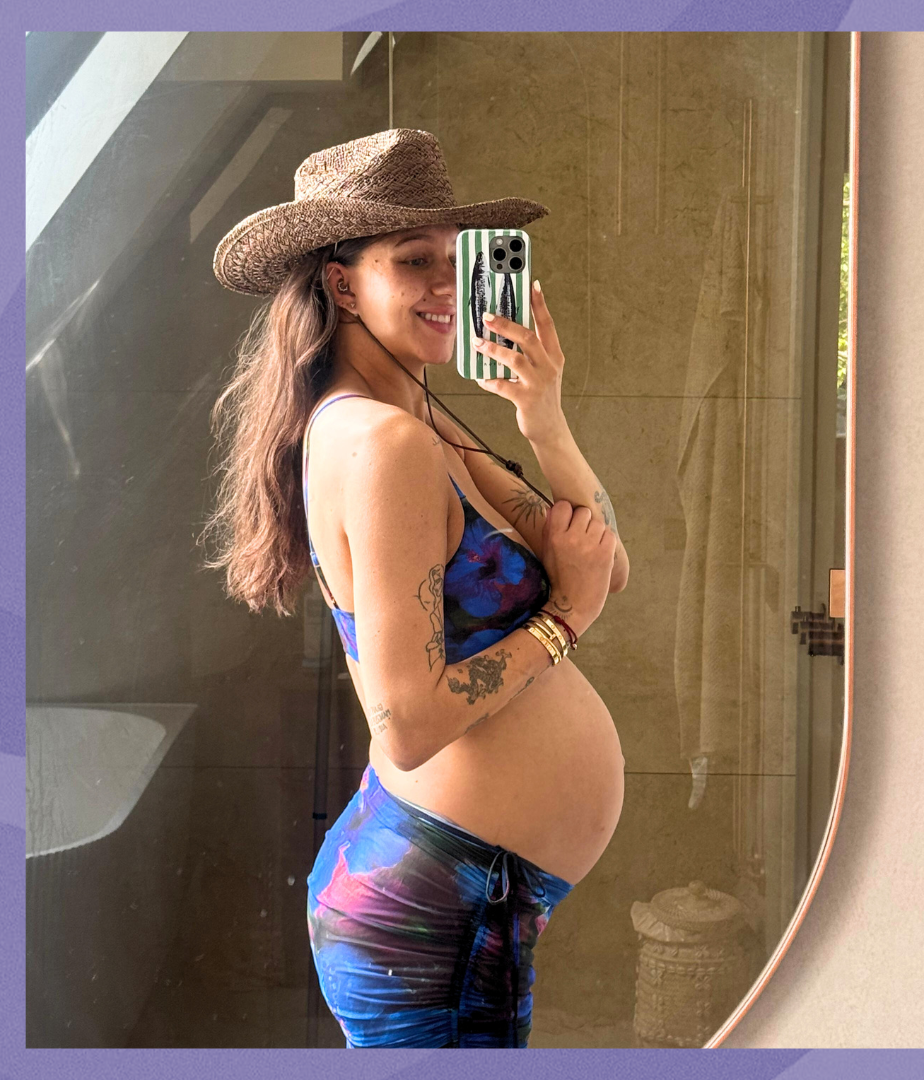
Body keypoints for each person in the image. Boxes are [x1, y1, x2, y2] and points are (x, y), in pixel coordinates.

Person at [205, 128, 628, 1048]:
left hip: (452, 900)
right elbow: (409, 724)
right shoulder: (386, 442)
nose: (446, 284)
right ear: (342, 284)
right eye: (412, 259)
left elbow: (607, 562)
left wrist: (543, 417)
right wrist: (564, 620)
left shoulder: (420, 417)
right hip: (435, 915)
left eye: (453, 257)